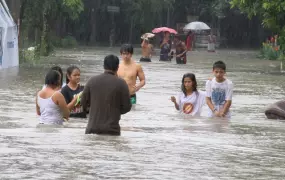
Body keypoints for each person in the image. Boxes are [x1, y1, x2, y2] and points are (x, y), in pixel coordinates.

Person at [81, 55, 132, 136]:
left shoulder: (92, 81)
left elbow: (83, 102)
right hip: (112, 131)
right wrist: (115, 111)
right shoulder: (121, 83)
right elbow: (127, 107)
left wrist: (93, 109)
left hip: (92, 129)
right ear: (117, 67)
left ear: (104, 66)